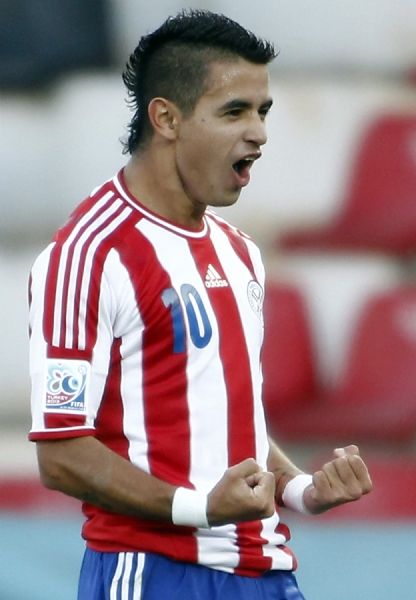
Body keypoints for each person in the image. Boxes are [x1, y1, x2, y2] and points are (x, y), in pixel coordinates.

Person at [28, 9, 373, 600]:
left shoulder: (239, 253)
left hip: (267, 571)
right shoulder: (90, 255)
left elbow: (223, 418)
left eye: (263, 111)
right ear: (166, 117)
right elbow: (62, 454)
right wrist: (200, 508)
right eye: (235, 112)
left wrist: (301, 490)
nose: (259, 133)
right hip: (154, 571)